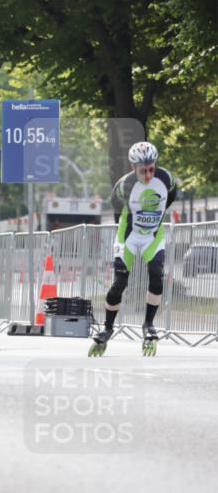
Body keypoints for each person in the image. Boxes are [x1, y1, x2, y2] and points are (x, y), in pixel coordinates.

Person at [90, 141, 178, 355]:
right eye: (142, 171)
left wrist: (154, 216)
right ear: (133, 168)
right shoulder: (124, 185)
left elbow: (171, 197)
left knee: (156, 274)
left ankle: (148, 324)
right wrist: (127, 225)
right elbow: (115, 205)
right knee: (120, 281)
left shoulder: (167, 179)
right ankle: (107, 329)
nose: (148, 175)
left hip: (152, 236)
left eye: (151, 169)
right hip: (128, 236)